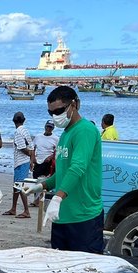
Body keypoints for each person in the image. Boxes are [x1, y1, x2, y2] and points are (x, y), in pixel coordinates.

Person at [23, 86, 104, 254]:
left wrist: (58, 198)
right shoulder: (65, 134)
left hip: (83, 216)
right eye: (51, 112)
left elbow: (78, 167)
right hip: (62, 216)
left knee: (84, 272)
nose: (55, 116)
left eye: (59, 110)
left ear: (74, 105)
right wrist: (41, 186)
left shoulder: (85, 130)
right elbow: (63, 172)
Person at [3, 111, 33, 218]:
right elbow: (32, 146)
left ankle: (26, 211)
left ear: (13, 121)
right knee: (16, 187)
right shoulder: (26, 131)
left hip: (20, 162)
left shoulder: (18, 132)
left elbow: (23, 148)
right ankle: (13, 208)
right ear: (24, 120)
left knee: (19, 186)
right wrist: (31, 160)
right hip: (23, 162)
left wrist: (29, 154)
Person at [30, 120, 59, 207]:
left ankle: (42, 200)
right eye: (47, 127)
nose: (48, 129)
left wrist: (50, 157)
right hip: (38, 161)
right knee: (36, 181)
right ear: (45, 126)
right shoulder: (38, 137)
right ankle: (36, 200)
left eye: (50, 127)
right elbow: (33, 148)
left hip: (48, 163)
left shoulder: (56, 138)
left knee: (45, 181)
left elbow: (57, 151)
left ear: (53, 128)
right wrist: (32, 159)